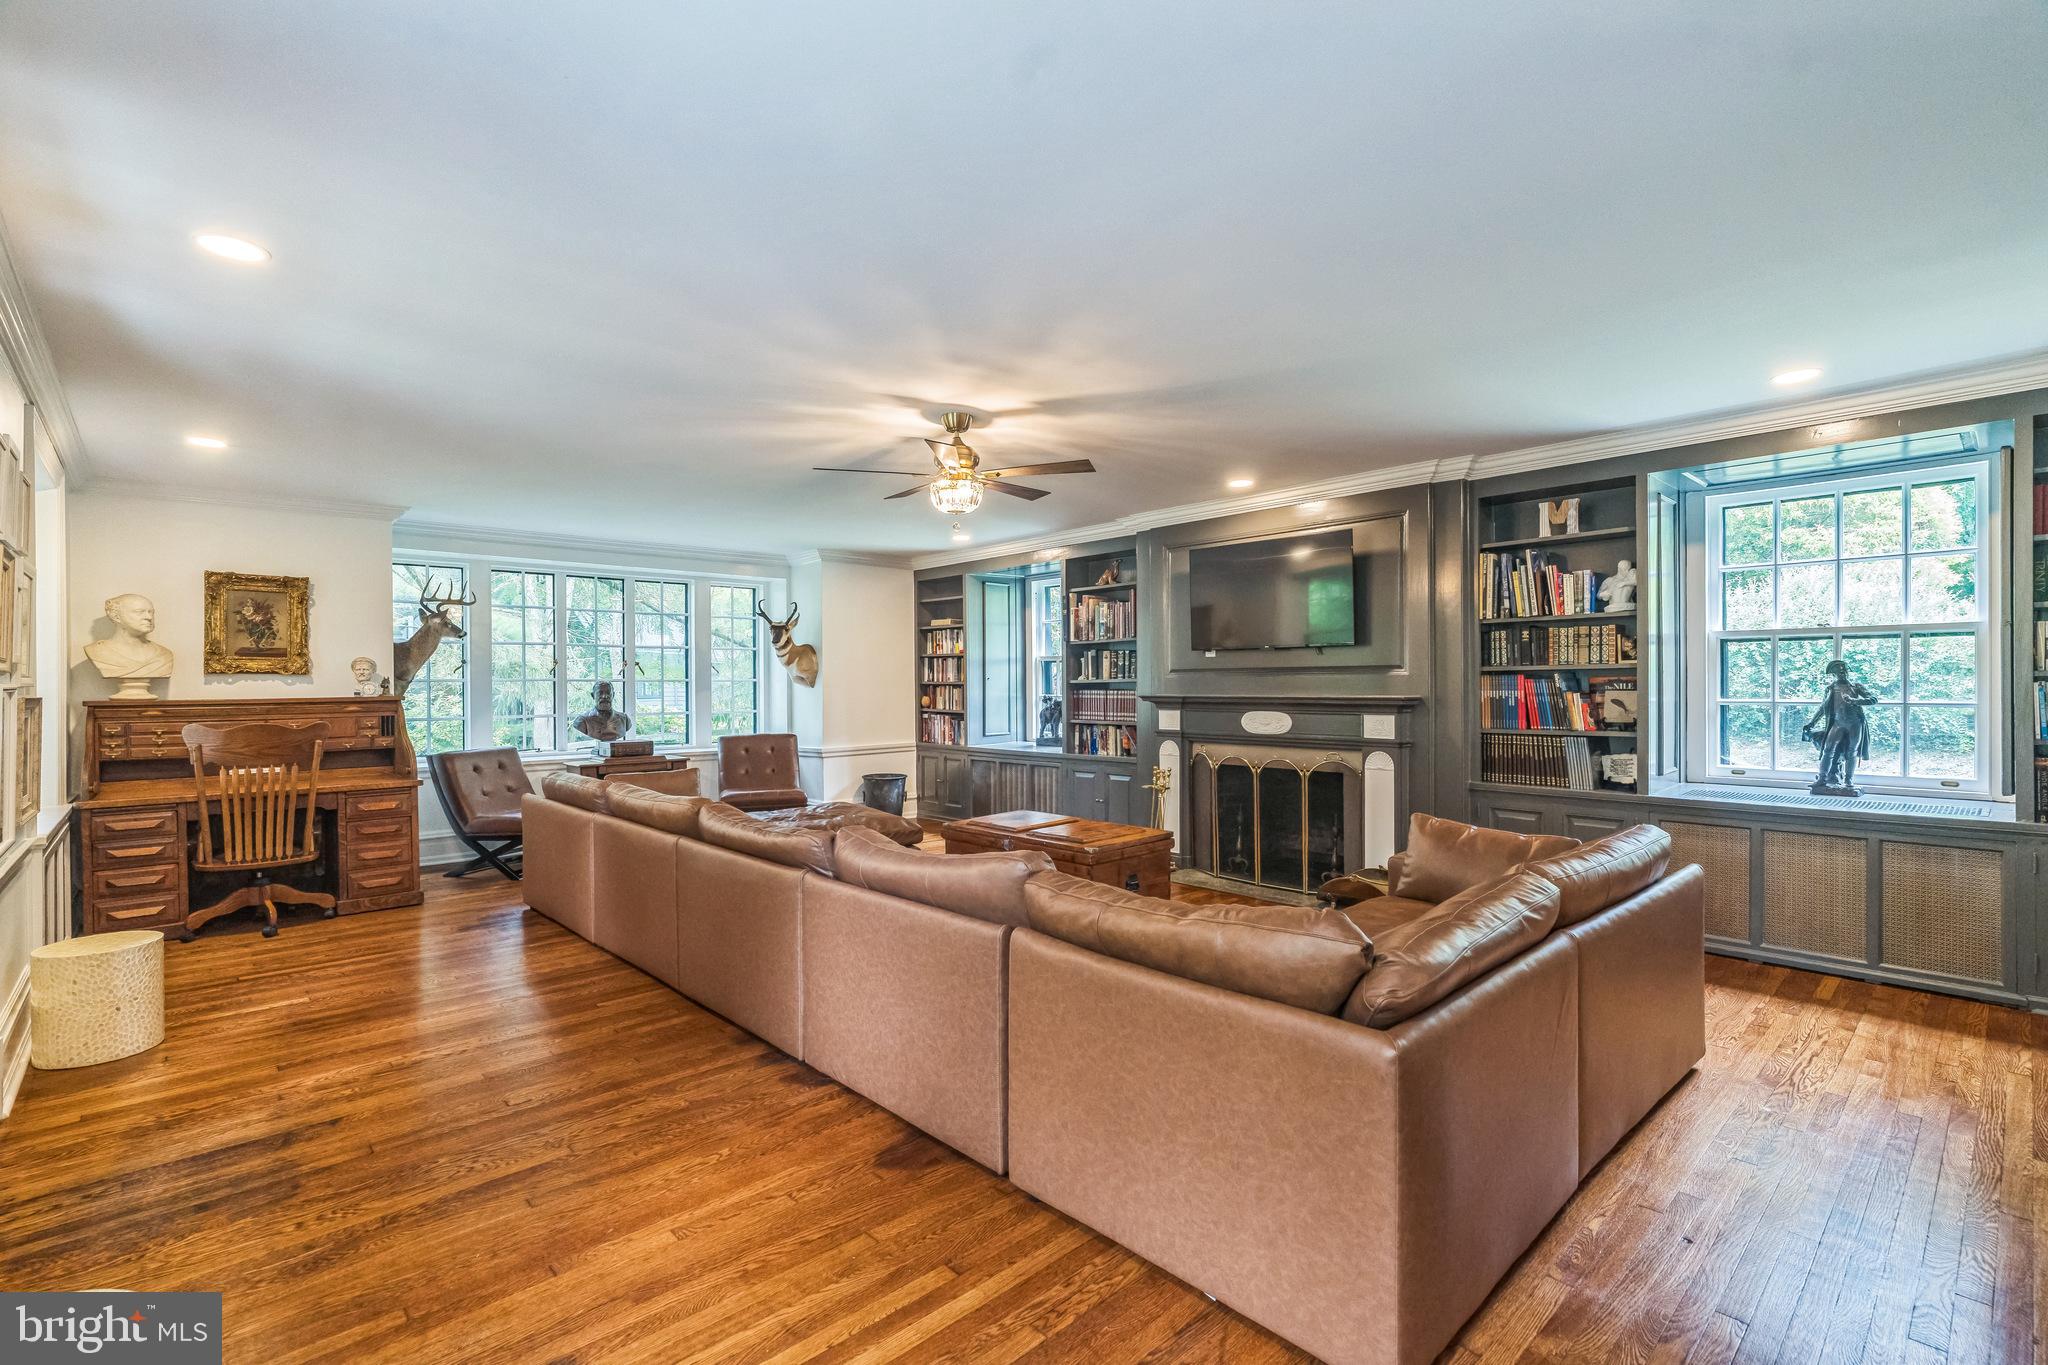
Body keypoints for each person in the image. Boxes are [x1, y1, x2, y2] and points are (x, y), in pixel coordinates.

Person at [1801, 659, 1874, 796]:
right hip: (1838, 723)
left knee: (1852, 752)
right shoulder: (1831, 688)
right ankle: (1822, 779)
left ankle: (1848, 781)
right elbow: (1823, 708)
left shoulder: (1856, 686)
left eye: (1844, 670)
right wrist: (1812, 723)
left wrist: (1855, 701)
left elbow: (1873, 699)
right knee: (1827, 750)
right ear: (1833, 674)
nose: (1842, 673)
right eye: (1839, 671)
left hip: (1855, 723)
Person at [85, 593, 174, 697]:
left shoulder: (164, 655)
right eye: (139, 612)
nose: (149, 617)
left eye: (151, 612)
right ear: (116, 616)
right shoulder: (97, 652)